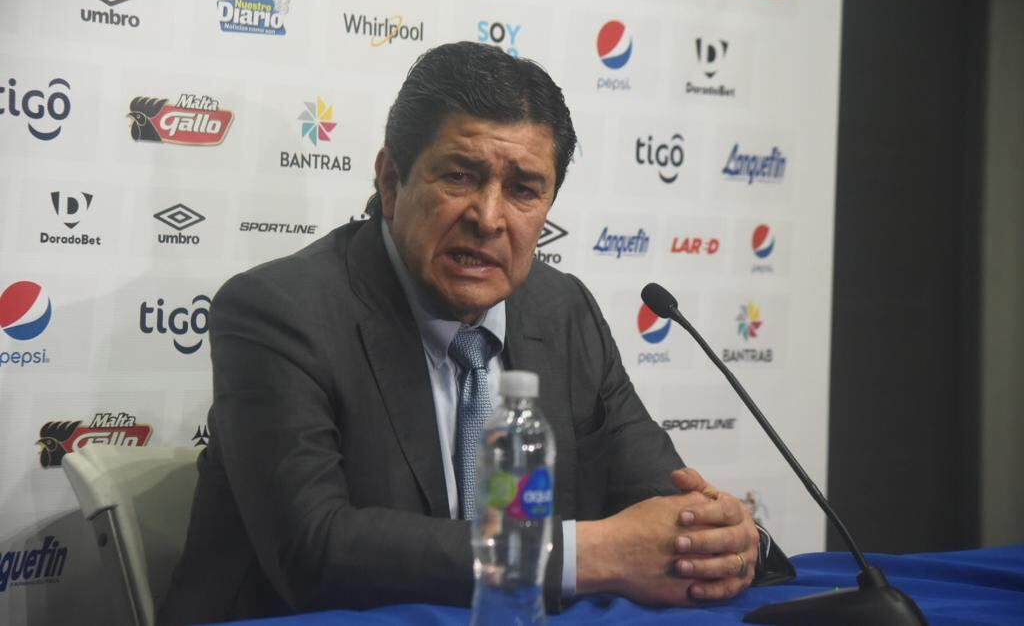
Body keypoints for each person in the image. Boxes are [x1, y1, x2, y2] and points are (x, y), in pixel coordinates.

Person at [158, 42, 793, 625]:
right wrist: (587, 553)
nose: (488, 218)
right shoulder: (280, 311)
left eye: (523, 190)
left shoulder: (563, 312)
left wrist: (726, 537)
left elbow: (663, 500)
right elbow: (315, 551)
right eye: (460, 176)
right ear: (391, 181)